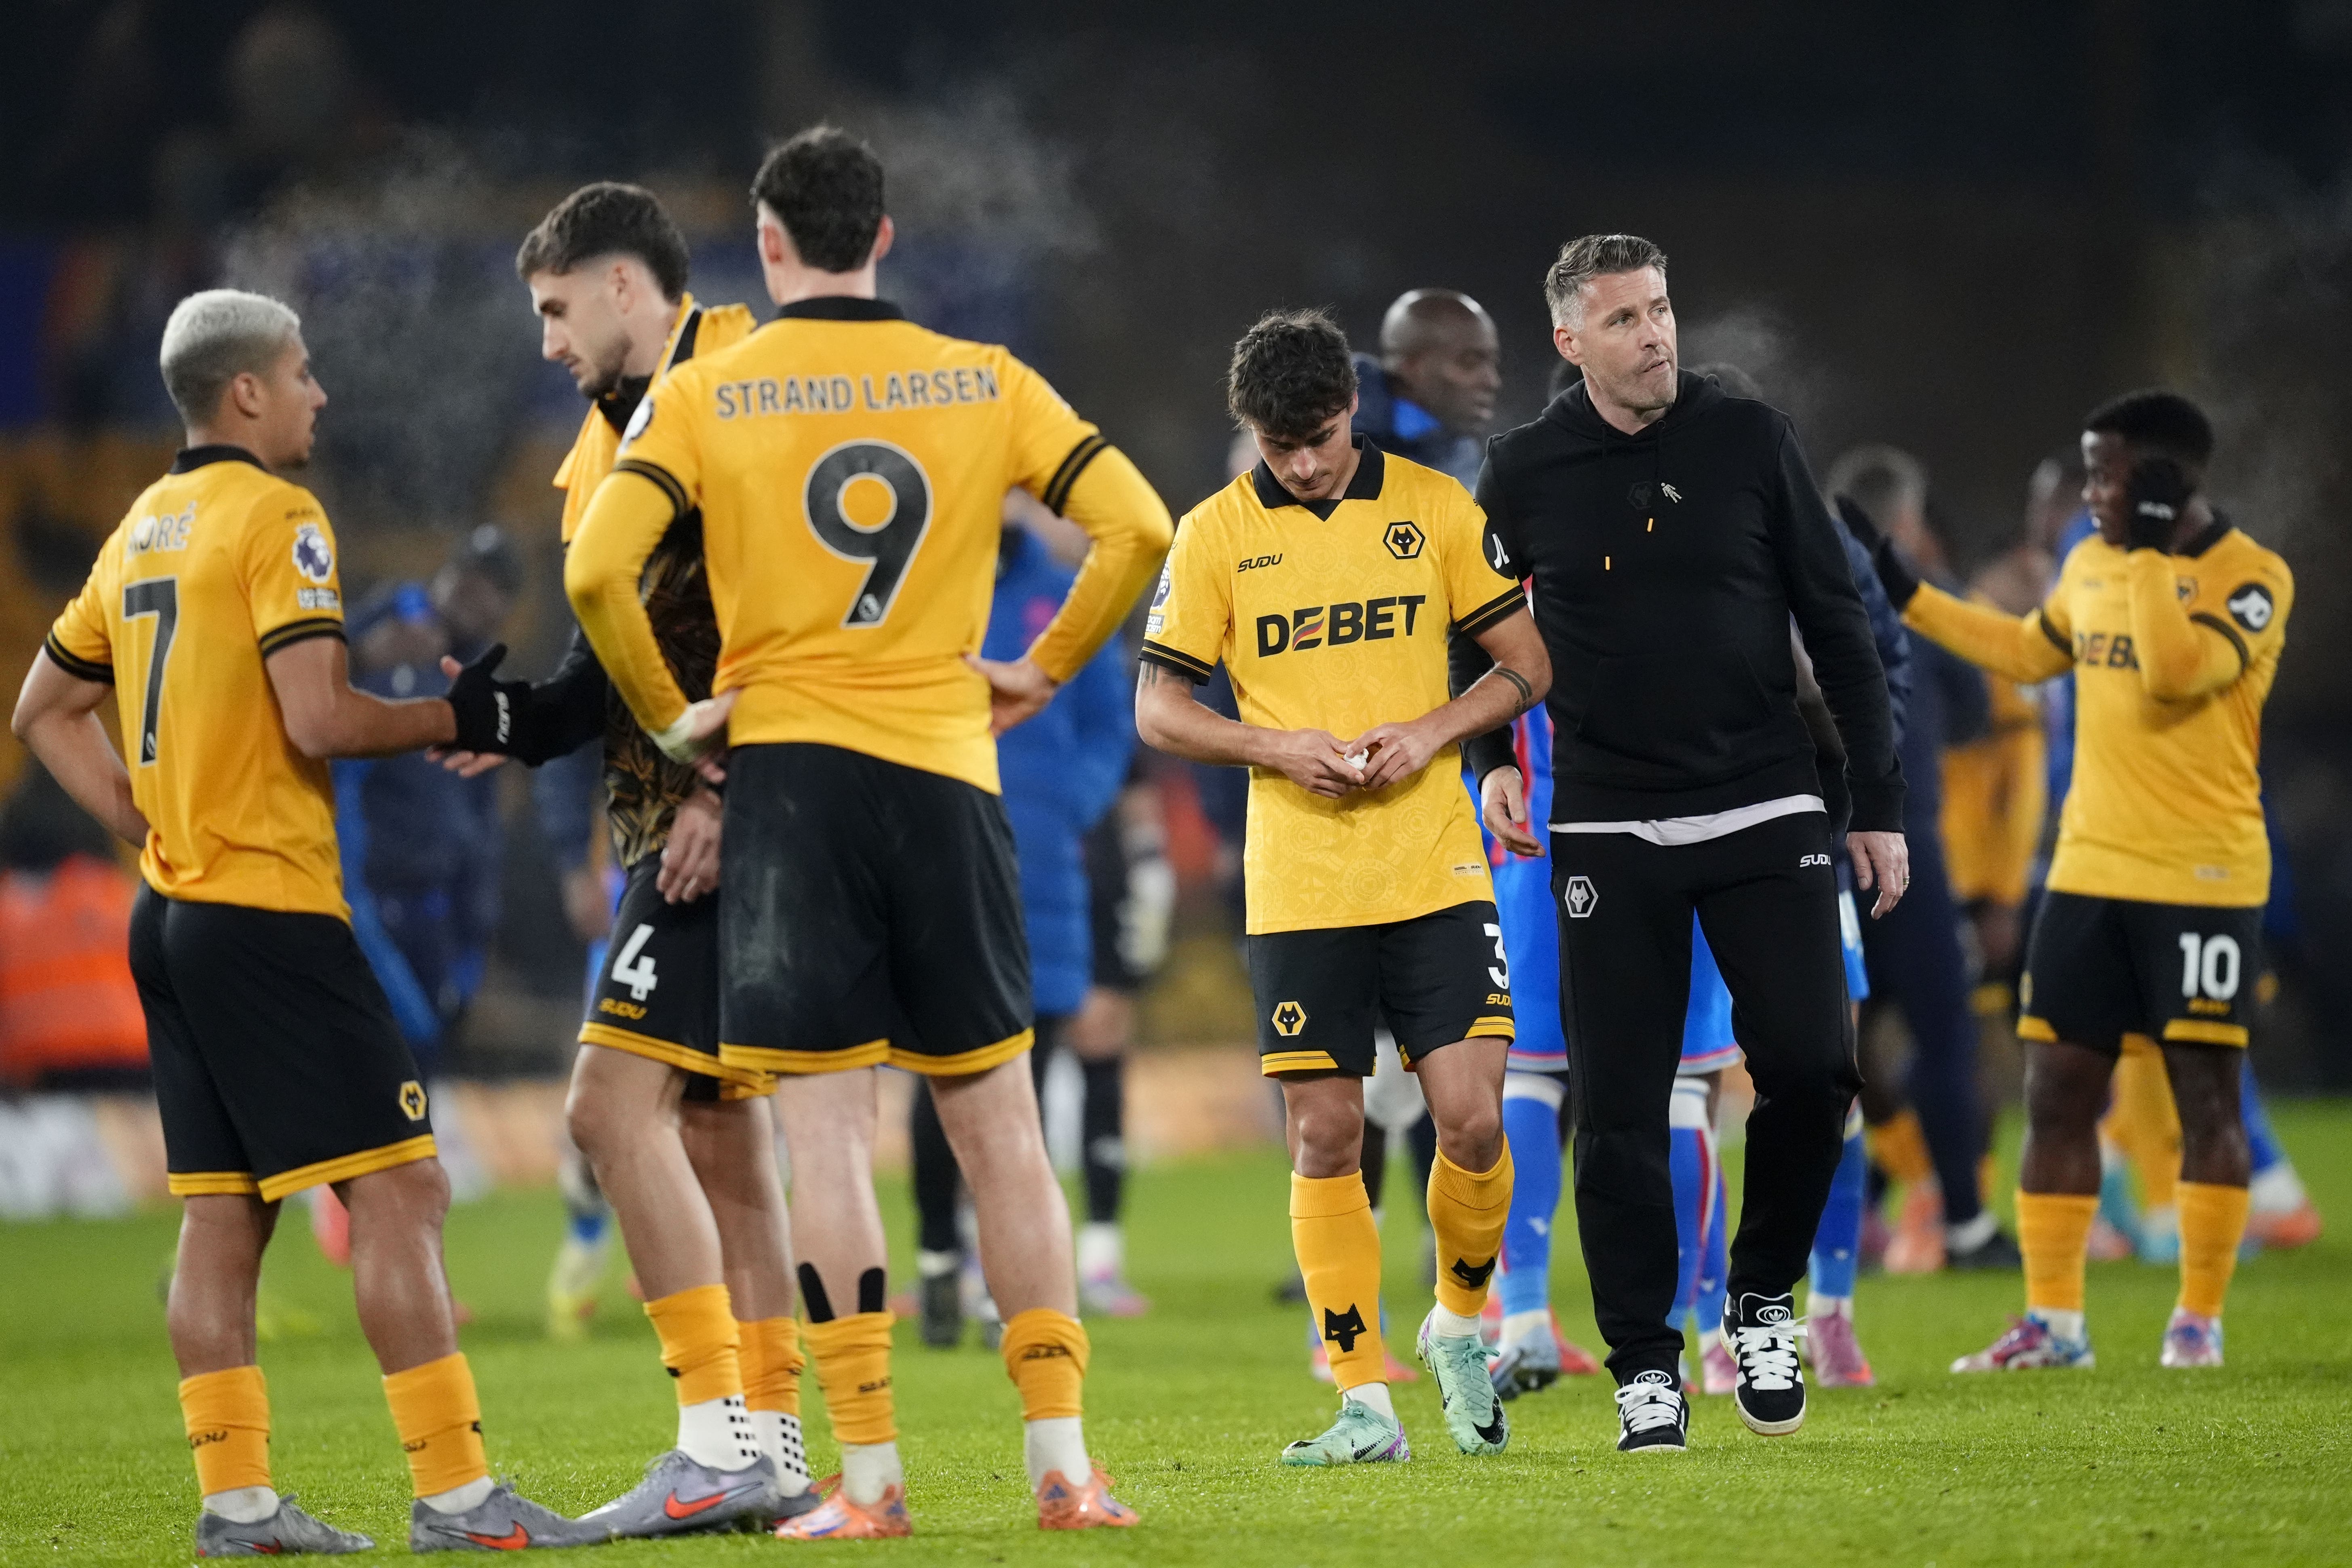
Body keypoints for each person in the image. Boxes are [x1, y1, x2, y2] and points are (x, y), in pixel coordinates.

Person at [563, 127, 1172, 1538]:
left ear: (768, 247)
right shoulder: (984, 378)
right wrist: (1045, 664)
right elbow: (1136, 526)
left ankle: (873, 1480)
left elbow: (600, 566)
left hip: (792, 785)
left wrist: (673, 720)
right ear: (884, 238)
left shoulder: (711, 391)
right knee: (1004, 1131)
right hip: (949, 769)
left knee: (830, 1138)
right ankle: (1066, 1470)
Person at [10, 288, 601, 1554]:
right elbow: (321, 718)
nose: (319, 392)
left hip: (171, 912)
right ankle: (454, 1496)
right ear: (246, 395)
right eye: (302, 372)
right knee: (405, 1188)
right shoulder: (279, 516)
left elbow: (40, 713)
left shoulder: (140, 528)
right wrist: (465, 718)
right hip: (270, 908)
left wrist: (145, 813)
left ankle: (238, 1508)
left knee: (225, 1210)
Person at [1453, 234, 1905, 1454]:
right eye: (1622, 319)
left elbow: (1839, 623)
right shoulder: (1524, 471)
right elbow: (1468, 632)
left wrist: (1877, 804)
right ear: (1568, 342)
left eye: (1658, 310)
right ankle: (1644, 1368)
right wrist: (1487, 763)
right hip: (1604, 827)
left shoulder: (1748, 438)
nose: (1653, 334)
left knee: (1813, 1075)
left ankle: (1760, 1299)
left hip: (1765, 809)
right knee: (1614, 1109)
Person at [427, 180, 816, 1534]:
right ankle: (767, 1443)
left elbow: (794, 605)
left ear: (624, 289)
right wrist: (501, 721)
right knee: (716, 1133)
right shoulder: (604, 447)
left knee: (605, 1113)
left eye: (553, 312)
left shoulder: (746, 388)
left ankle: (716, 1433)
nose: (545, 343)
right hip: (673, 815)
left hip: (736, 816)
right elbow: (610, 664)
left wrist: (729, 786)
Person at [1136, 308, 1550, 1467]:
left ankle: (1457, 1327)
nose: (1302, 463)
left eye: (1316, 438)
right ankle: (1362, 1400)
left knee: (1471, 1120)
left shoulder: (1433, 509)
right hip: (1302, 880)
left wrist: (1433, 731)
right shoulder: (1212, 534)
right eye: (1278, 447)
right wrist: (1275, 747)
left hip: (1432, 863)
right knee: (1325, 1136)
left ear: (1351, 411)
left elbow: (1526, 663)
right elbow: (1157, 706)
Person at [1846, 389, 2291, 1371]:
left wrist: (2141, 553)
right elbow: (2026, 649)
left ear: (2168, 479)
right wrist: (1906, 588)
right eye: (2089, 470)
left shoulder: (2251, 579)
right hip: (2086, 870)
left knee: (2202, 1097)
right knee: (2055, 1092)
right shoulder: (2087, 562)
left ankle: (2197, 1321)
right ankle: (2054, 1322)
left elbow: (2176, 672)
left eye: (2107, 472)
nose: (2088, 491)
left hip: (2204, 875)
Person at [908, 498, 1137, 1347]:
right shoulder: (922, 584)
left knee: (1028, 1080)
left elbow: (1110, 727)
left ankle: (998, 1274)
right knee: (939, 1066)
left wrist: (1064, 804)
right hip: (939, 855)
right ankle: (938, 1250)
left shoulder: (1070, 597)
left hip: (1041, 863)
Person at [1824, 447, 2018, 1275]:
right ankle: (1966, 1223)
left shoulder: (1801, 587)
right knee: (1945, 1040)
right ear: (1906, 522)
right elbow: (1977, 713)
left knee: (1829, 1052)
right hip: (1913, 848)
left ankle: (1843, 1225)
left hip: (1823, 851)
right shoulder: (1926, 606)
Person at [1353, 289, 1503, 487]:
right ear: (1412, 367)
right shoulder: (1329, 446)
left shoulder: (1461, 453)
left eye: (1493, 363)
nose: (1493, 382)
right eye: (1469, 362)